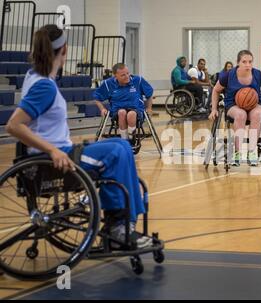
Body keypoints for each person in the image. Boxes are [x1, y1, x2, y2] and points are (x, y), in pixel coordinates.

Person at [5, 24, 153, 249]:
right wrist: (52, 150)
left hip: (58, 151)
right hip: (54, 158)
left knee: (121, 144)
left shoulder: (36, 75)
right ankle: (118, 226)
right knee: (116, 152)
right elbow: (14, 126)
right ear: (64, 49)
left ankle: (126, 221)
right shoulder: (44, 86)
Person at [209, 50, 261, 166]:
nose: (248, 64)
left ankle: (252, 153)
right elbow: (216, 90)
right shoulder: (228, 75)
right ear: (238, 63)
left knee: (257, 114)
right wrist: (214, 109)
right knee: (241, 115)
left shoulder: (257, 74)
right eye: (244, 62)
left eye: (250, 62)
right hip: (233, 105)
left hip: (255, 104)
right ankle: (236, 153)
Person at [93, 63, 153, 142]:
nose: (127, 76)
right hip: (117, 112)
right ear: (115, 75)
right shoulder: (108, 84)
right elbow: (97, 98)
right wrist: (102, 109)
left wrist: (149, 108)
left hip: (136, 110)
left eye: (128, 73)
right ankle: (124, 140)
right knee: (122, 112)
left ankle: (132, 140)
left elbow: (149, 94)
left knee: (131, 114)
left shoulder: (138, 80)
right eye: (123, 75)